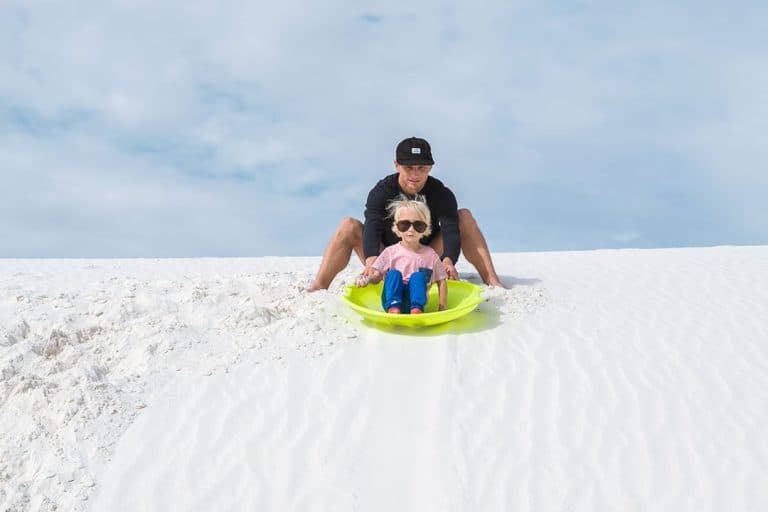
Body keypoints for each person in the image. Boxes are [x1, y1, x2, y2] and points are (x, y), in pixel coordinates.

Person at [309, 136, 505, 291]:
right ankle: (319, 285)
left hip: (425, 260)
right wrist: (371, 261)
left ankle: (492, 280)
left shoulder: (441, 193)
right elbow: (372, 225)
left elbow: (451, 229)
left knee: (464, 216)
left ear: (430, 167)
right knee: (347, 225)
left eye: (422, 168)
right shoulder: (382, 191)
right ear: (396, 165)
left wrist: (448, 260)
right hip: (387, 263)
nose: (415, 175)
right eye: (408, 167)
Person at [356, 194, 448, 314]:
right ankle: (394, 307)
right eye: (404, 225)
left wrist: (442, 309)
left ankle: (416, 309)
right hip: (391, 301)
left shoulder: (431, 255)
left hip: (416, 303)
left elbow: (442, 282)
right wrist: (366, 279)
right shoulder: (390, 252)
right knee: (394, 274)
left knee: (418, 277)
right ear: (397, 227)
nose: (411, 229)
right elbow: (377, 275)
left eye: (418, 225)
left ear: (425, 228)